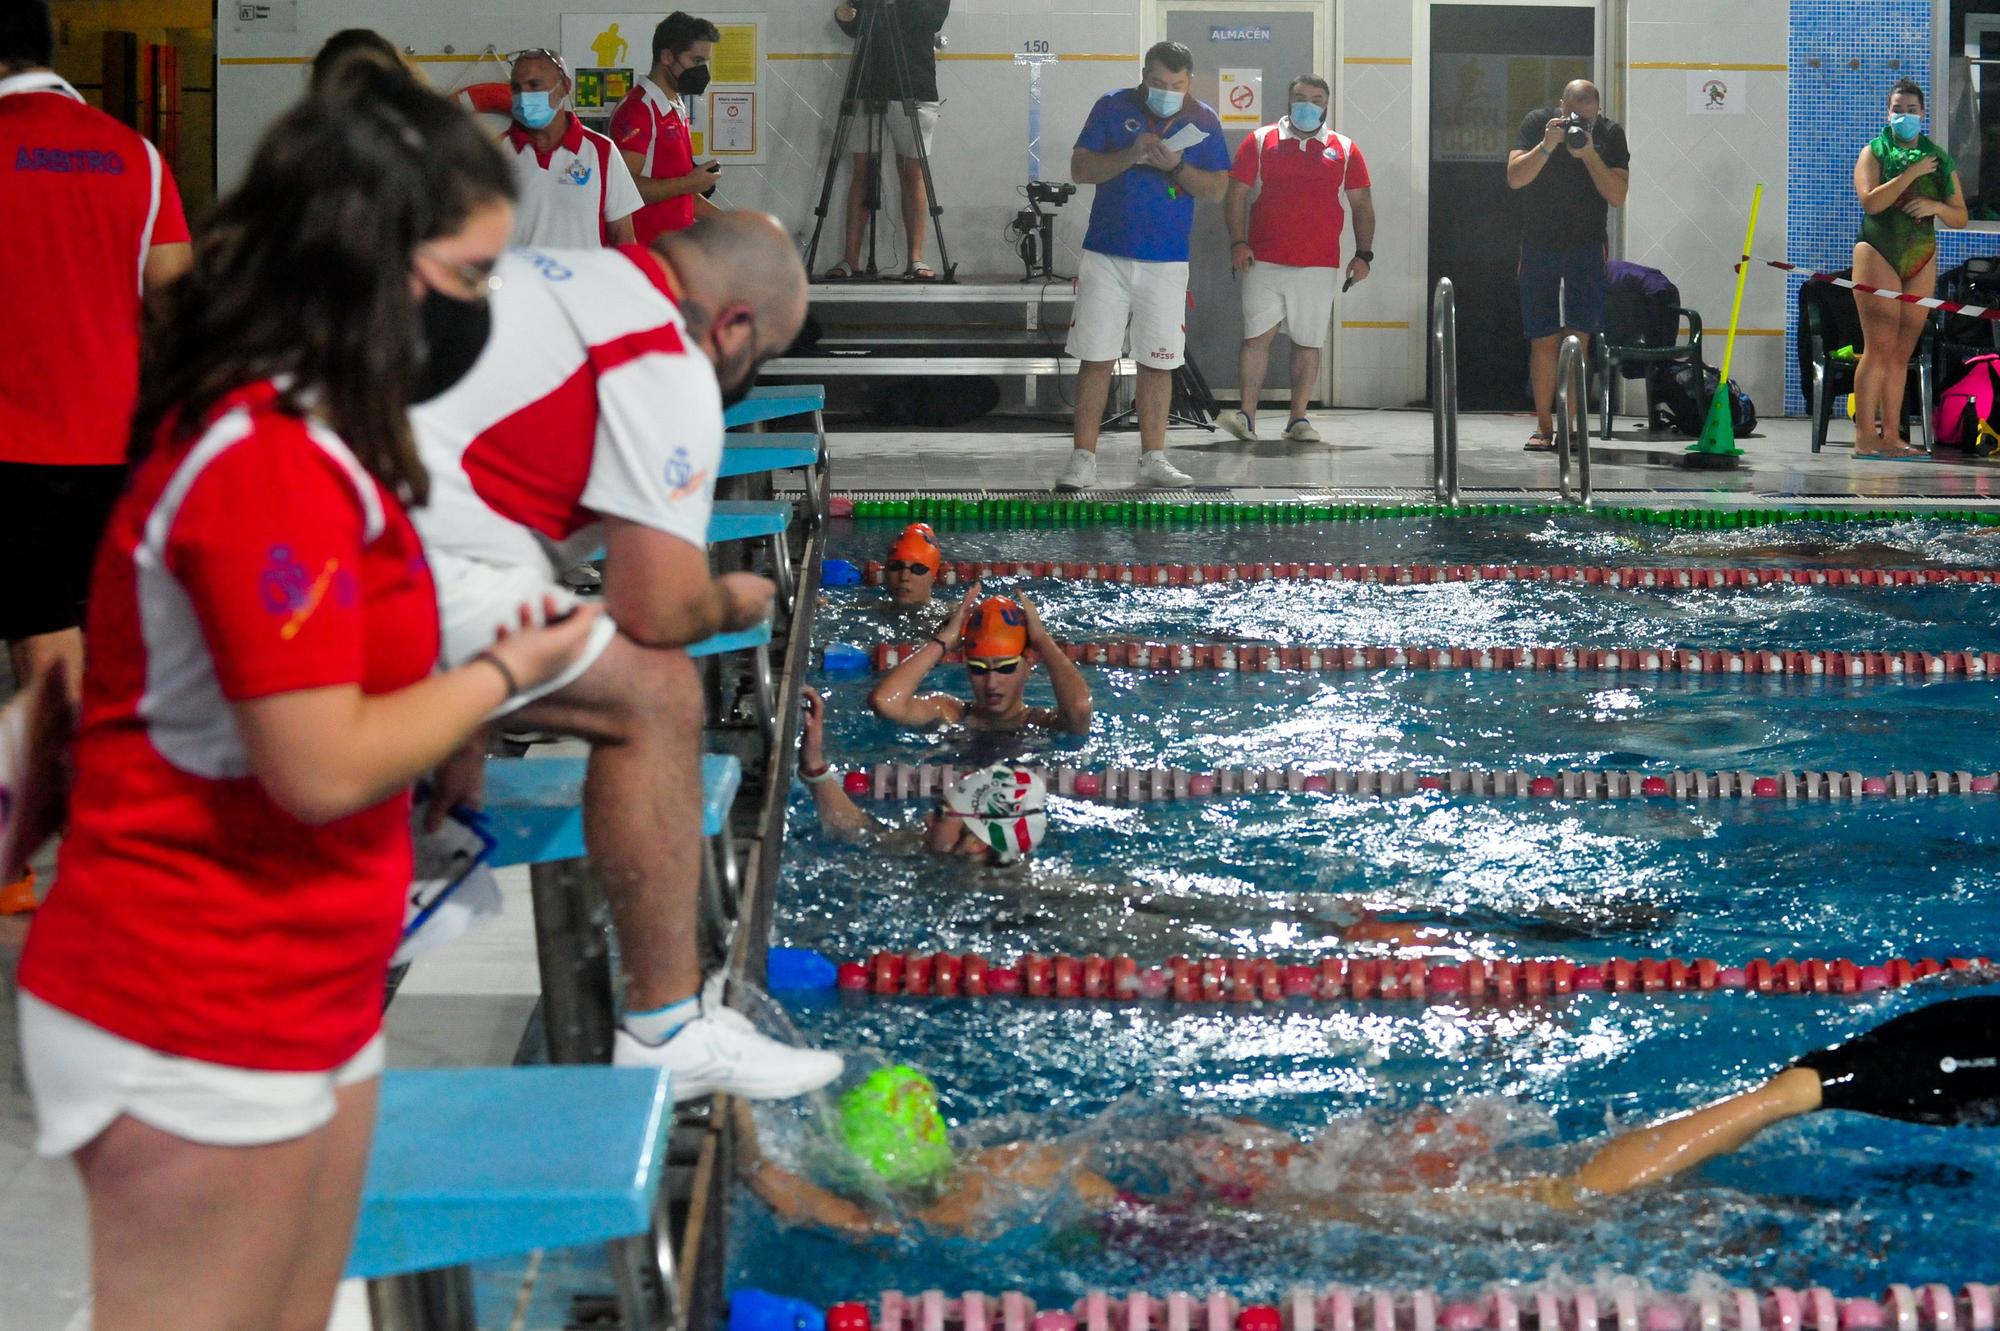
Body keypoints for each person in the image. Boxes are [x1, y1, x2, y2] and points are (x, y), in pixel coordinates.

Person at [11, 65, 603, 1330]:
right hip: (190, 988)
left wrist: (444, 722)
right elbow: (321, 760)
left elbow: (343, 661)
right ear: (365, 266)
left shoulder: (333, 429)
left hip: (309, 958)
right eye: (466, 277)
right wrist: (506, 675)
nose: (479, 313)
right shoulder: (261, 454)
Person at [408, 213, 843, 1101]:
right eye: (757, 360)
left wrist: (461, 728)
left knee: (560, 657)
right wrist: (732, 597)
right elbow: (656, 608)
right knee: (655, 693)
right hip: (366, 564)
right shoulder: (663, 357)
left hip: (325, 528)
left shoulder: (570, 279)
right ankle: (666, 1028)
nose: (741, 382)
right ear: (731, 327)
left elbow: (463, 485)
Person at [737, 997, 2000, 1237]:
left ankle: (1795, 1094)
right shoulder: (1008, 1162)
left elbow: (813, 1209)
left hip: (1233, 1214)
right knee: (1568, 1195)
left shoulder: (962, 1204)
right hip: (1220, 1195)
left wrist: (752, 1150)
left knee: (1563, 1204)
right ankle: (1794, 1097)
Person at [0, 0, 191, 702]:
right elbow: (179, 304)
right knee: (94, 634)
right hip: (115, 447)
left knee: (43, 643)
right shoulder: (137, 155)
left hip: (13, 449)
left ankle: (66, 801)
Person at [1057, 41, 1233, 492]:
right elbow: (1080, 168)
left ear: (1189, 80)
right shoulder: (1113, 107)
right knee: (1096, 356)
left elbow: (1216, 189)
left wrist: (1175, 167)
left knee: (1159, 359)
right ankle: (1083, 458)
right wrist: (1131, 155)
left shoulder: (1204, 120)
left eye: (1176, 85)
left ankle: (1154, 457)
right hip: (1106, 253)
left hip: (1166, 259)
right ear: (1143, 76)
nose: (1166, 91)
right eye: (1158, 83)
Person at [1218, 75, 1373, 445]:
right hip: (1263, 260)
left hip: (1319, 263)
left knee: (1308, 341)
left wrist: (1363, 254)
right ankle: (1246, 416)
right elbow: (1235, 194)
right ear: (1288, 100)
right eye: (1300, 97)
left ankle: (1298, 419)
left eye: (1316, 98)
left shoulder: (1345, 148)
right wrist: (1238, 242)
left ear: (1326, 104)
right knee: (1257, 338)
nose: (1307, 104)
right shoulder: (1259, 141)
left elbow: (1362, 205)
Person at [1505, 79, 1629, 453]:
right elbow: (1514, 178)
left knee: (1579, 340)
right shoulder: (1538, 124)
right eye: (1573, 116)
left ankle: (1572, 429)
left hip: (1587, 247)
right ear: (1561, 107)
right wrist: (1546, 146)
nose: (1579, 124)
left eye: (1587, 118)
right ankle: (1544, 427)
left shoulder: (1610, 134)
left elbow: (1618, 195)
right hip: (1540, 243)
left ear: (1599, 111)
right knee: (1542, 339)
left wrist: (1589, 152)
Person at [1849, 79, 1968, 459]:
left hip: (1920, 256)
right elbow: (1871, 203)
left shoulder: (1939, 159)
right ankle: (1865, 435)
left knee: (1901, 351)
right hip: (1877, 252)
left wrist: (1936, 208)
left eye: (1911, 110)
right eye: (1897, 109)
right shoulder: (1874, 153)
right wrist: (1910, 176)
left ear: (1923, 114)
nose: (1904, 116)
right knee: (1878, 347)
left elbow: (1960, 217)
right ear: (1888, 113)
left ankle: (1892, 436)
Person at [797, 685, 1050, 862]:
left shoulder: (1030, 900)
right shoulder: (928, 849)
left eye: (941, 815)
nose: (927, 818)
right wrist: (814, 764)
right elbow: (858, 831)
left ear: (976, 844)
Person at [822, 0, 950, 282]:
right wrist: (844, 17)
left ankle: (915, 258)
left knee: (912, 173)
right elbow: (856, 26)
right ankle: (850, 259)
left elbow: (933, 19)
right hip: (868, 83)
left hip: (915, 84)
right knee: (862, 171)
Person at [867, 588, 1092, 733]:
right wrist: (943, 641)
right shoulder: (949, 712)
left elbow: (1080, 708)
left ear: (1028, 665)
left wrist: (1042, 639)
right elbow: (885, 702)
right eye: (978, 669)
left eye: (1005, 668)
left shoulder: (1041, 724)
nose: (991, 683)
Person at [502, 49, 643, 248]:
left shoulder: (602, 151)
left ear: (565, 86)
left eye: (534, 85)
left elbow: (624, 236)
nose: (524, 96)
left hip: (585, 278)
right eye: (517, 88)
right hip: (520, 279)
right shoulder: (494, 153)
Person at [610, 12, 722, 245]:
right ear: (667, 56)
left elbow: (680, 192)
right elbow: (624, 189)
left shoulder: (675, 106)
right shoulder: (639, 110)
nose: (702, 71)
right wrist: (691, 183)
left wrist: (731, 223)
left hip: (675, 251)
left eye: (705, 62)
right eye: (696, 61)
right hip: (646, 253)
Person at [881, 521, 942, 608]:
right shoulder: (867, 611)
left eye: (918, 568)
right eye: (896, 566)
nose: (904, 577)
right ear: (886, 570)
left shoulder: (953, 616)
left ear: (934, 576)